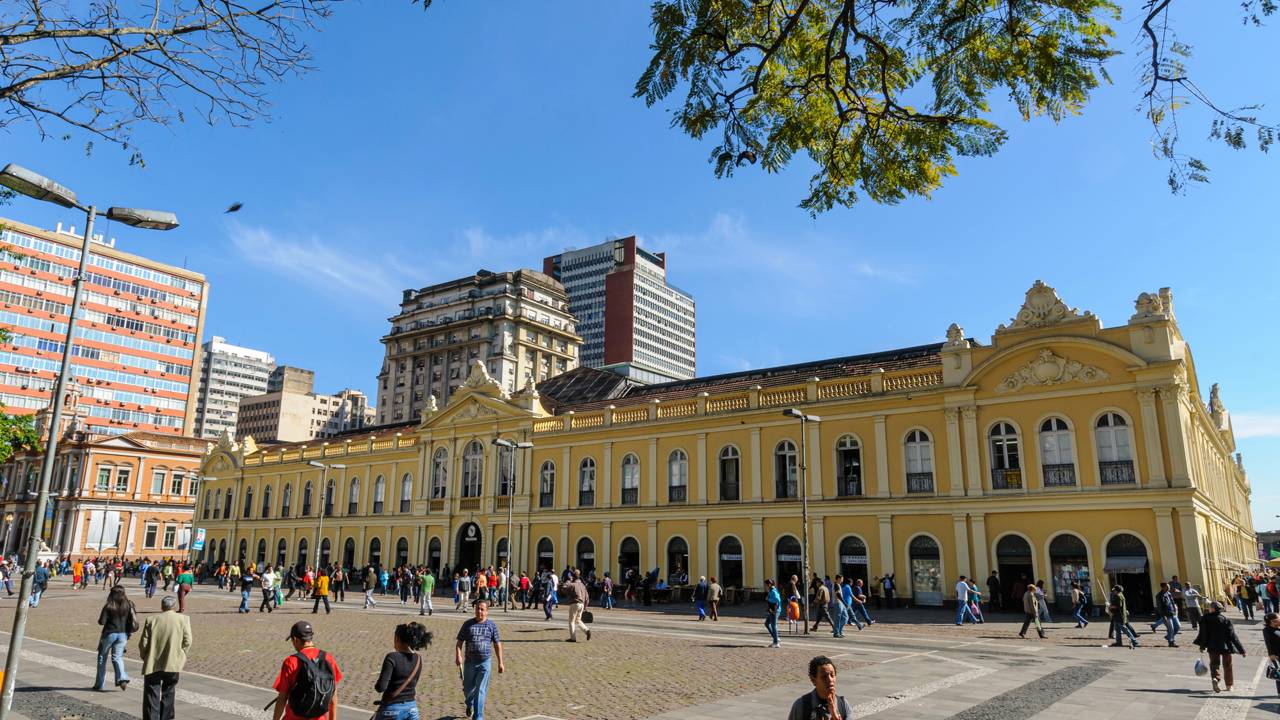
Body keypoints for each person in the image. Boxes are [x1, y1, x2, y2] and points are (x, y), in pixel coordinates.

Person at [272, 621, 342, 720]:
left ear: (295, 640)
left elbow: (282, 697)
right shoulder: (328, 658)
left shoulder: (291, 661)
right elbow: (333, 696)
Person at [138, 596, 192, 720]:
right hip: (173, 662)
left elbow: (143, 643)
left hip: (153, 662)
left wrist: (145, 656)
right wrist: (181, 655)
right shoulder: (183, 619)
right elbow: (188, 641)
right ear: (174, 607)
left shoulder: (152, 619)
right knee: (169, 691)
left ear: (162, 607)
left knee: (152, 693)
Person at [455, 600, 505, 720]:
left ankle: (478, 716)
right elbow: (459, 643)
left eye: (482, 609)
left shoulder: (491, 626)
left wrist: (500, 662)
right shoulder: (467, 624)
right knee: (468, 689)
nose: (479, 611)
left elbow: (497, 644)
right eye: (477, 608)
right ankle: (469, 704)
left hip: (485, 663)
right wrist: (458, 656)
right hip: (469, 663)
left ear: (487, 612)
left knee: (480, 691)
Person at [373, 622, 431, 720]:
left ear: (397, 639)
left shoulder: (392, 657)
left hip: (392, 710)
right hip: (412, 709)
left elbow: (381, 687)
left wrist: (377, 685)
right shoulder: (418, 659)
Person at [1193, 601, 1246, 693]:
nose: (1209, 608)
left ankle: (1216, 679)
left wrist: (1202, 646)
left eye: (1210, 607)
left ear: (1213, 609)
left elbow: (1203, 634)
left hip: (1212, 646)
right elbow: (1233, 636)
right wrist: (1242, 650)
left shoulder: (1205, 618)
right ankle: (1229, 685)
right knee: (1228, 666)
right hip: (1226, 647)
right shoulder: (1225, 619)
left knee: (1214, 664)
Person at [93, 585, 137, 692]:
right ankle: (122, 678)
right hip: (123, 634)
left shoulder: (109, 606)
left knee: (102, 658)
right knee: (117, 657)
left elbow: (101, 622)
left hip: (109, 633)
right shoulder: (129, 604)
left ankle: (99, 684)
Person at [787, 656, 851, 720]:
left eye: (832, 675)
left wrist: (835, 715)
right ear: (813, 680)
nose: (830, 679)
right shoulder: (801, 706)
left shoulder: (843, 705)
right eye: (824, 677)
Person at [1152, 581, 1181, 647]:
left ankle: (1168, 636)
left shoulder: (1168, 593)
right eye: (1167, 586)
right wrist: (1163, 616)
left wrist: (1175, 610)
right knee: (1171, 629)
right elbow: (1160, 607)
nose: (1169, 587)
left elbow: (1172, 602)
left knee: (1178, 626)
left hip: (1173, 613)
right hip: (1166, 615)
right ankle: (1171, 642)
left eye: (1169, 586)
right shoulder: (1159, 596)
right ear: (1163, 587)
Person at [1262, 611, 1280, 697]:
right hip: (1277, 654)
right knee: (1279, 674)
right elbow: (1268, 643)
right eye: (1278, 619)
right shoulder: (1267, 630)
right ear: (1272, 621)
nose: (1279, 620)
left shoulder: (1279, 627)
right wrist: (1271, 654)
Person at [764, 578, 782, 647]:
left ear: (769, 584)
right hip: (772, 610)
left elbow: (777, 599)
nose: (765, 586)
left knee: (773, 625)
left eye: (766, 585)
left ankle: (776, 642)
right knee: (767, 624)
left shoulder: (773, 591)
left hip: (775, 610)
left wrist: (768, 599)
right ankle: (776, 637)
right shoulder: (772, 590)